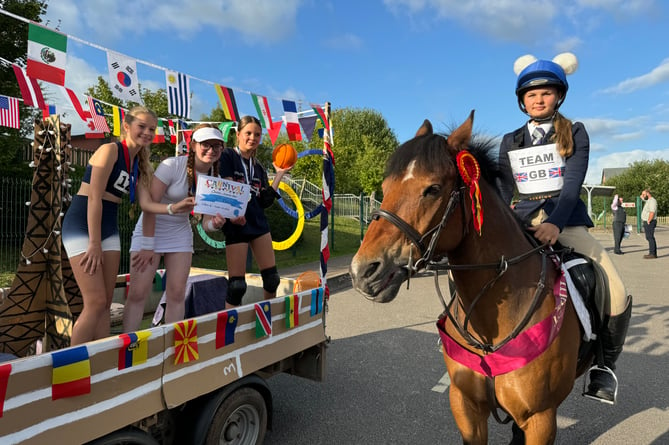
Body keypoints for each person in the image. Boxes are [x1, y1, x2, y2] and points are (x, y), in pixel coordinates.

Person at [497, 53, 632, 404]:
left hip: (566, 221)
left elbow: (572, 184)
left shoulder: (574, 132)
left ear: (559, 96)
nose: (538, 99)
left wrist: (556, 223)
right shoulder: (511, 140)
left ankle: (604, 366)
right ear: (522, 101)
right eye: (531, 94)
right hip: (521, 223)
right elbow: (501, 189)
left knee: (614, 289)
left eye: (545, 93)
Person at [62, 106, 180, 345]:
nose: (147, 133)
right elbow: (94, 197)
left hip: (109, 224)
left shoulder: (140, 164)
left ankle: (102, 362)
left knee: (105, 303)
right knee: (94, 303)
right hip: (83, 222)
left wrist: (173, 208)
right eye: (141, 127)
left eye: (151, 129)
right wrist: (94, 243)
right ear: (126, 126)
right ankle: (71, 367)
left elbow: (147, 204)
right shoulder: (110, 150)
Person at [122, 124, 226, 332]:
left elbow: (205, 222)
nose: (211, 150)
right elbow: (150, 207)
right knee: (138, 294)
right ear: (193, 145)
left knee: (177, 293)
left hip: (179, 233)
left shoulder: (216, 180)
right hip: (150, 230)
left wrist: (215, 224)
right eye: (206, 144)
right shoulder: (171, 165)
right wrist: (148, 245)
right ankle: (128, 349)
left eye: (217, 145)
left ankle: (171, 346)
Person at [219, 115, 292, 308]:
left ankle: (269, 318)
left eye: (257, 134)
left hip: (258, 224)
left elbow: (264, 201)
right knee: (237, 286)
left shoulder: (258, 167)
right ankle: (230, 328)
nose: (252, 137)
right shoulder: (228, 156)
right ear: (238, 134)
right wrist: (232, 215)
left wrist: (279, 174)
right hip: (236, 225)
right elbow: (226, 191)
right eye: (248, 133)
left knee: (272, 279)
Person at [640, 189, 657, 259]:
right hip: (648, 221)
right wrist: (643, 198)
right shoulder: (649, 201)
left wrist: (649, 220)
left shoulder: (652, 201)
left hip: (650, 221)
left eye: (643, 194)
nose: (642, 195)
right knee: (649, 237)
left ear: (648, 193)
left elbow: (652, 212)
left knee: (650, 237)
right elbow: (647, 202)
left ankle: (652, 253)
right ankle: (652, 253)